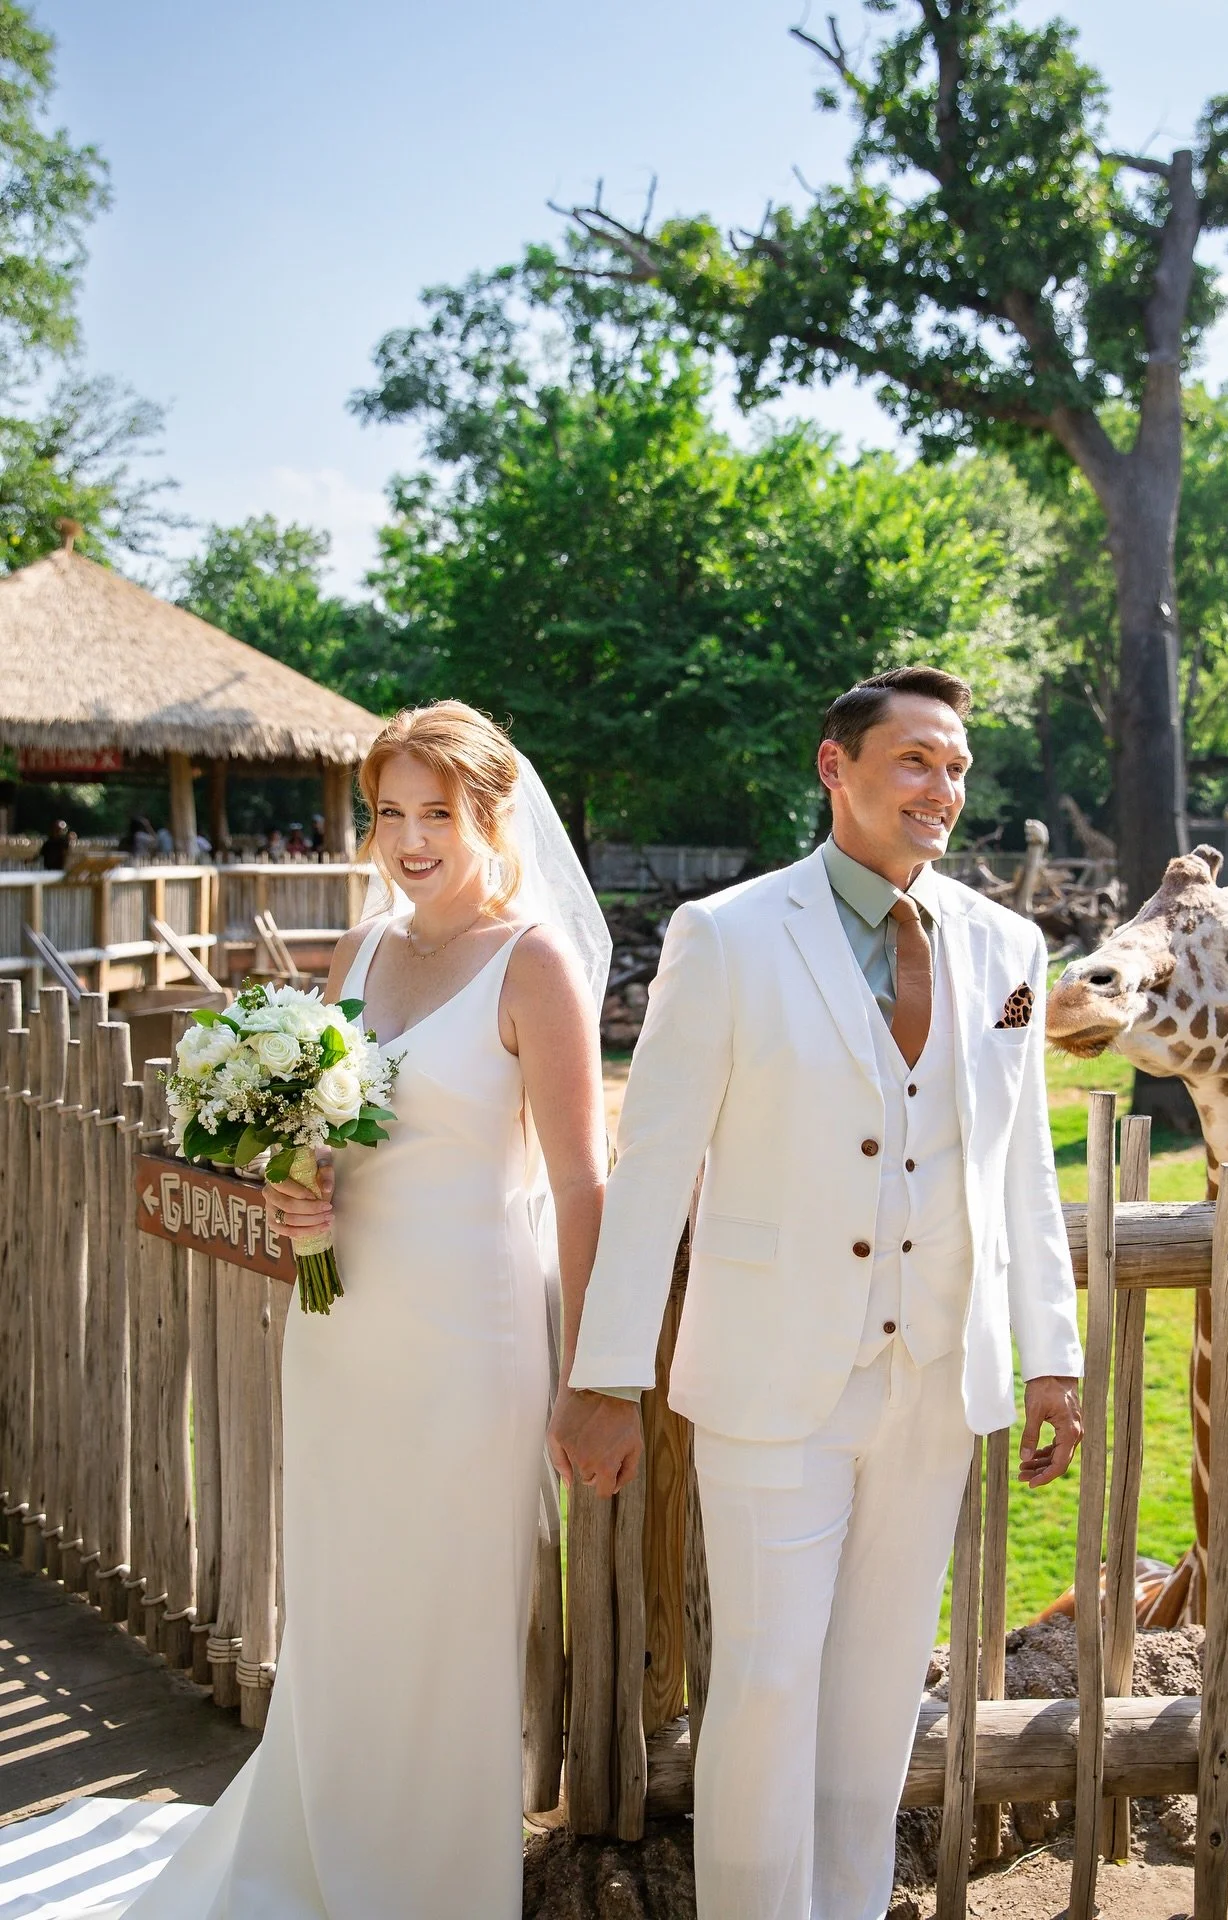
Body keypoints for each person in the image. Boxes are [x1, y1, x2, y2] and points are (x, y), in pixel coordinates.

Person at [553, 665, 1084, 1920]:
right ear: (835, 768)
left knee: (879, 1688)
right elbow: (653, 1173)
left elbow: (1023, 1166)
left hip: (934, 1382)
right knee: (772, 1683)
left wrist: (1049, 1353)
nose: (943, 789)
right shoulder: (728, 936)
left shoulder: (1009, 948)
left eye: (957, 767)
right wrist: (605, 1380)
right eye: (915, 761)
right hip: (772, 1381)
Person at [112, 701, 611, 1919]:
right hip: (341, 1333)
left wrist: (593, 1377)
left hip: (469, 1337)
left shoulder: (534, 963)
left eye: (437, 812)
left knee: (447, 1609)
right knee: (343, 1593)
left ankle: (432, 1882)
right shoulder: (363, 952)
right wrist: (302, 1193)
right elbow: (324, 1143)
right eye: (389, 813)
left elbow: (584, 1179)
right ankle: (321, 1856)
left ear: (492, 813)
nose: (410, 838)